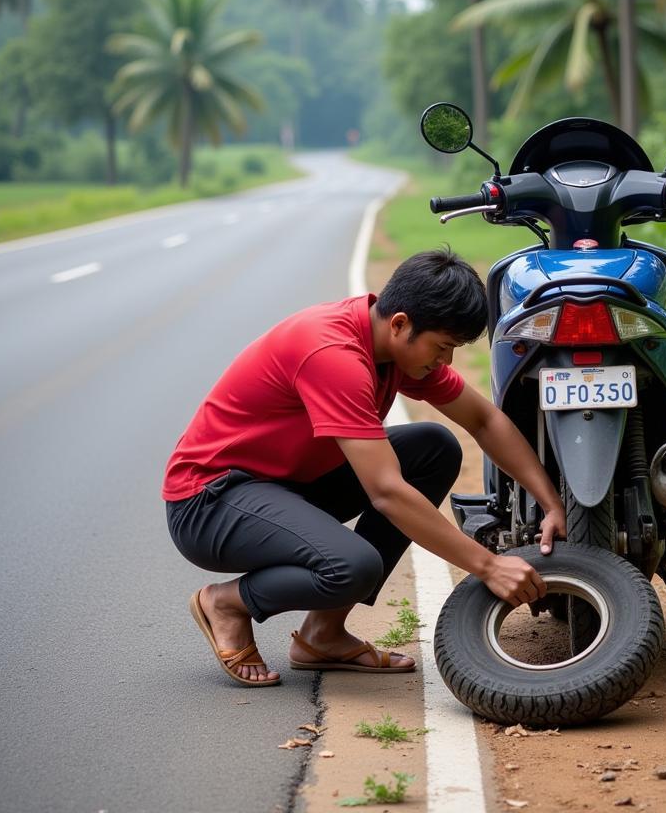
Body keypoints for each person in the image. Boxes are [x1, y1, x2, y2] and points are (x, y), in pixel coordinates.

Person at [163, 248, 566, 686]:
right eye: (443, 347)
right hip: (209, 501)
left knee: (432, 447)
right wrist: (489, 566)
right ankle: (227, 603)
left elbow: (484, 420)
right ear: (400, 324)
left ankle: (323, 635)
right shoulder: (333, 354)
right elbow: (386, 492)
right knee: (353, 566)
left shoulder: (394, 346)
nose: (445, 362)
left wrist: (551, 503)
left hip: (283, 486)